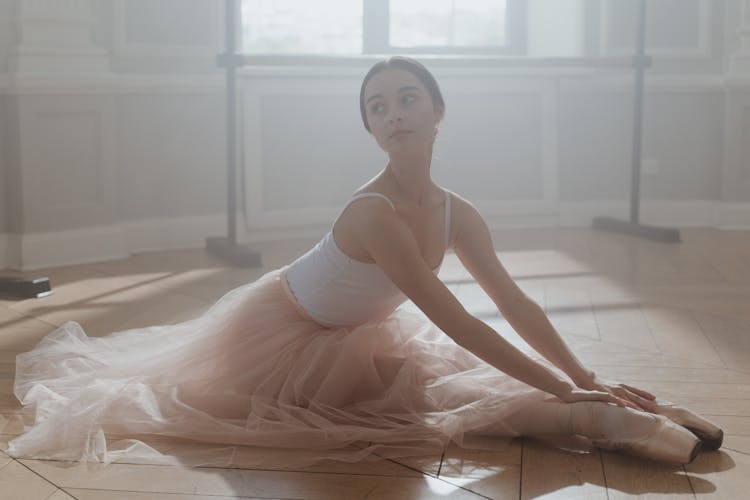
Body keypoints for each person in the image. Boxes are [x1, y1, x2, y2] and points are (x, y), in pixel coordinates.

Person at [6, 57, 722, 467]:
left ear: (438, 110)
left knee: (458, 384)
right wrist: (567, 392)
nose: (393, 113)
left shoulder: (456, 211)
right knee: (454, 398)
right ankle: (608, 424)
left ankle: (631, 409)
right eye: (377, 107)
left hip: (361, 336)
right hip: (284, 343)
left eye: (408, 98)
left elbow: (514, 304)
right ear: (372, 129)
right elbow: (455, 318)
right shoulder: (371, 212)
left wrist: (585, 375)